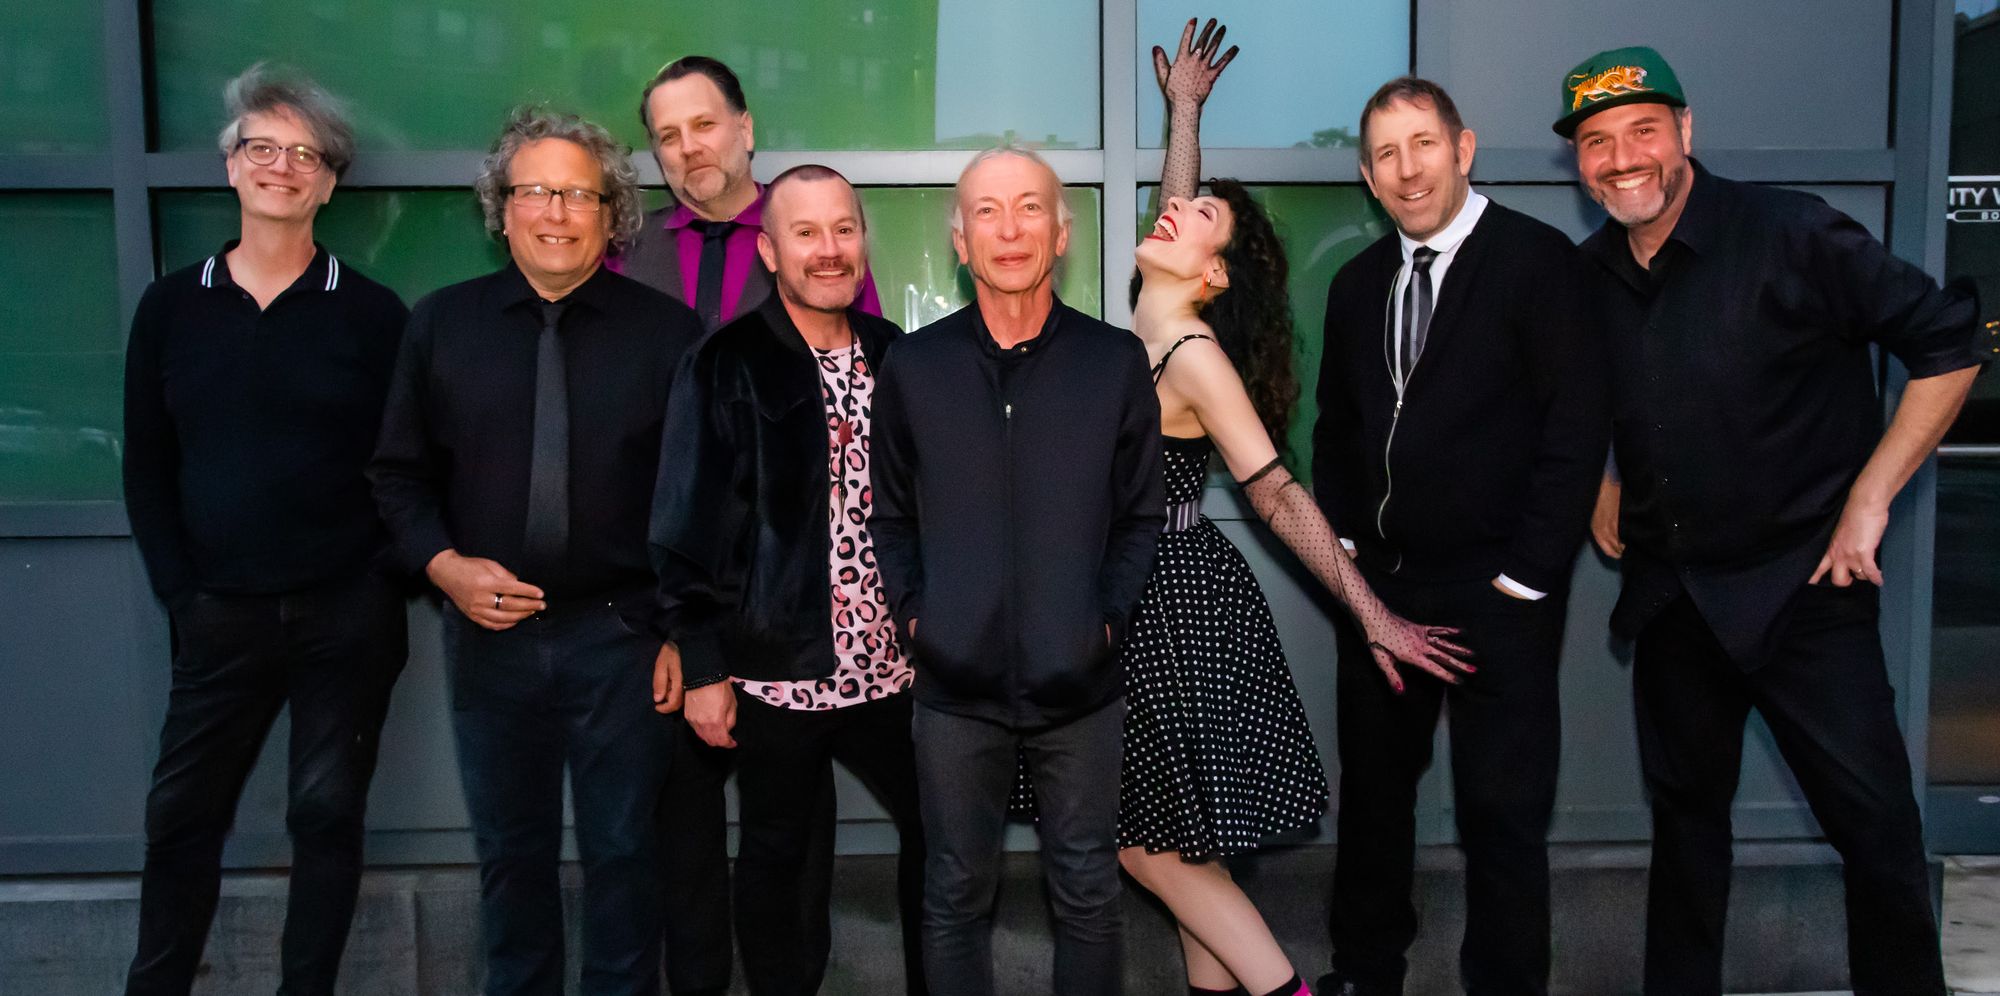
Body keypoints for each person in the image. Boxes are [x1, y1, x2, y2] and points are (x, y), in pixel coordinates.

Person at [1557, 46, 1984, 996]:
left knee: (1878, 833)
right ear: (1579, 162)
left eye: (1642, 131)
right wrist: (1600, 480)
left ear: (1685, 131)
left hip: (1808, 590)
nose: (1622, 159)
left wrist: (1870, 499)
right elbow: (1569, 397)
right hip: (1674, 599)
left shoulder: (1791, 230)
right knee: (1686, 836)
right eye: (1597, 141)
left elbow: (1950, 346)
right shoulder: (1586, 276)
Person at [1110, 24, 1472, 996]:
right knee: (1183, 844)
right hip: (1140, 600)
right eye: (1177, 210)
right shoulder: (1147, 317)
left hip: (1174, 608)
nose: (1173, 214)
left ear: (1214, 276)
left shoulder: (1192, 354)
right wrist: (1185, 115)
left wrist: (1373, 614)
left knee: (1146, 846)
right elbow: (1177, 208)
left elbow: (1273, 492)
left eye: (1197, 221)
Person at [368, 107, 702, 996]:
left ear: (611, 213)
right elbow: (396, 477)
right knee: (510, 858)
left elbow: (702, 501)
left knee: (626, 857)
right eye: (535, 192)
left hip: (624, 641)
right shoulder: (440, 325)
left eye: (579, 195)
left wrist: (683, 633)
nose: (556, 212)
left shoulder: (670, 336)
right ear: (502, 206)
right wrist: (445, 568)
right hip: (490, 642)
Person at [1312, 77, 1610, 996]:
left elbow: (1575, 431)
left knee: (1502, 817)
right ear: (1369, 177)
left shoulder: (1537, 261)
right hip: (1383, 593)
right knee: (1373, 805)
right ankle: (1366, 975)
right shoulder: (1356, 285)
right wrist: (1350, 556)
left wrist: (1525, 580)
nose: (1408, 170)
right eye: (1387, 155)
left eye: (1424, 145)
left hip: (1497, 594)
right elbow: (1335, 430)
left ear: (1463, 148)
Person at [119, 63, 410, 996]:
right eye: (263, 147)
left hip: (346, 616)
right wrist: (183, 595)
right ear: (232, 166)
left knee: (325, 816)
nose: (282, 166)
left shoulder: (373, 315)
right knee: (180, 819)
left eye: (305, 154)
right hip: (219, 615)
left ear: (329, 183)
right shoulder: (171, 307)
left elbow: (406, 467)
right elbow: (146, 464)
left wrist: (377, 581)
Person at [868, 144, 1164, 996]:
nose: (1009, 229)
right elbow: (891, 516)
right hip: (953, 688)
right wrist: (920, 617)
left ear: (1061, 234)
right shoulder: (913, 366)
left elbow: (1139, 516)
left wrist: (1102, 621)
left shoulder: (1113, 361)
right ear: (961, 242)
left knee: (1089, 895)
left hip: (1081, 686)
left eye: (1030, 207)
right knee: (955, 897)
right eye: (987, 212)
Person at [623, 57, 874, 993]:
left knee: (792, 833)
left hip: (794, 612)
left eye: (704, 124)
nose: (689, 147)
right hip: (673, 598)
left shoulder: (814, 242)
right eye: (668, 134)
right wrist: (675, 629)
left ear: (745, 127)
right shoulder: (630, 253)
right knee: (680, 827)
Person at [650, 164, 926, 995]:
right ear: (770, 251)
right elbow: (683, 528)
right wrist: (704, 668)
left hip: (900, 671)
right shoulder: (723, 361)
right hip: (777, 673)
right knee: (777, 857)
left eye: (843, 228)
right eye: (805, 232)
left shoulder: (899, 356)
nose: (828, 249)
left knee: (944, 835)